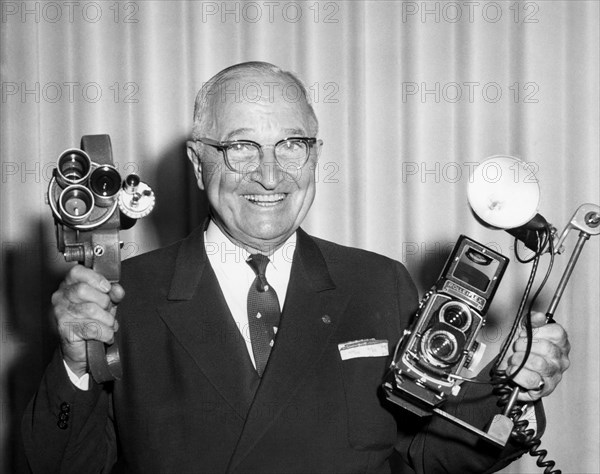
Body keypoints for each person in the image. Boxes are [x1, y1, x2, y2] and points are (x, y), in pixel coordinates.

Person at [22, 62, 570, 473]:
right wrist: (75, 364)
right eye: (241, 147)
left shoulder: (377, 283)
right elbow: (59, 465)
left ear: (316, 156)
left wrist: (511, 388)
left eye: (292, 145)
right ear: (197, 162)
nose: (269, 174)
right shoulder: (125, 298)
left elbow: (426, 458)